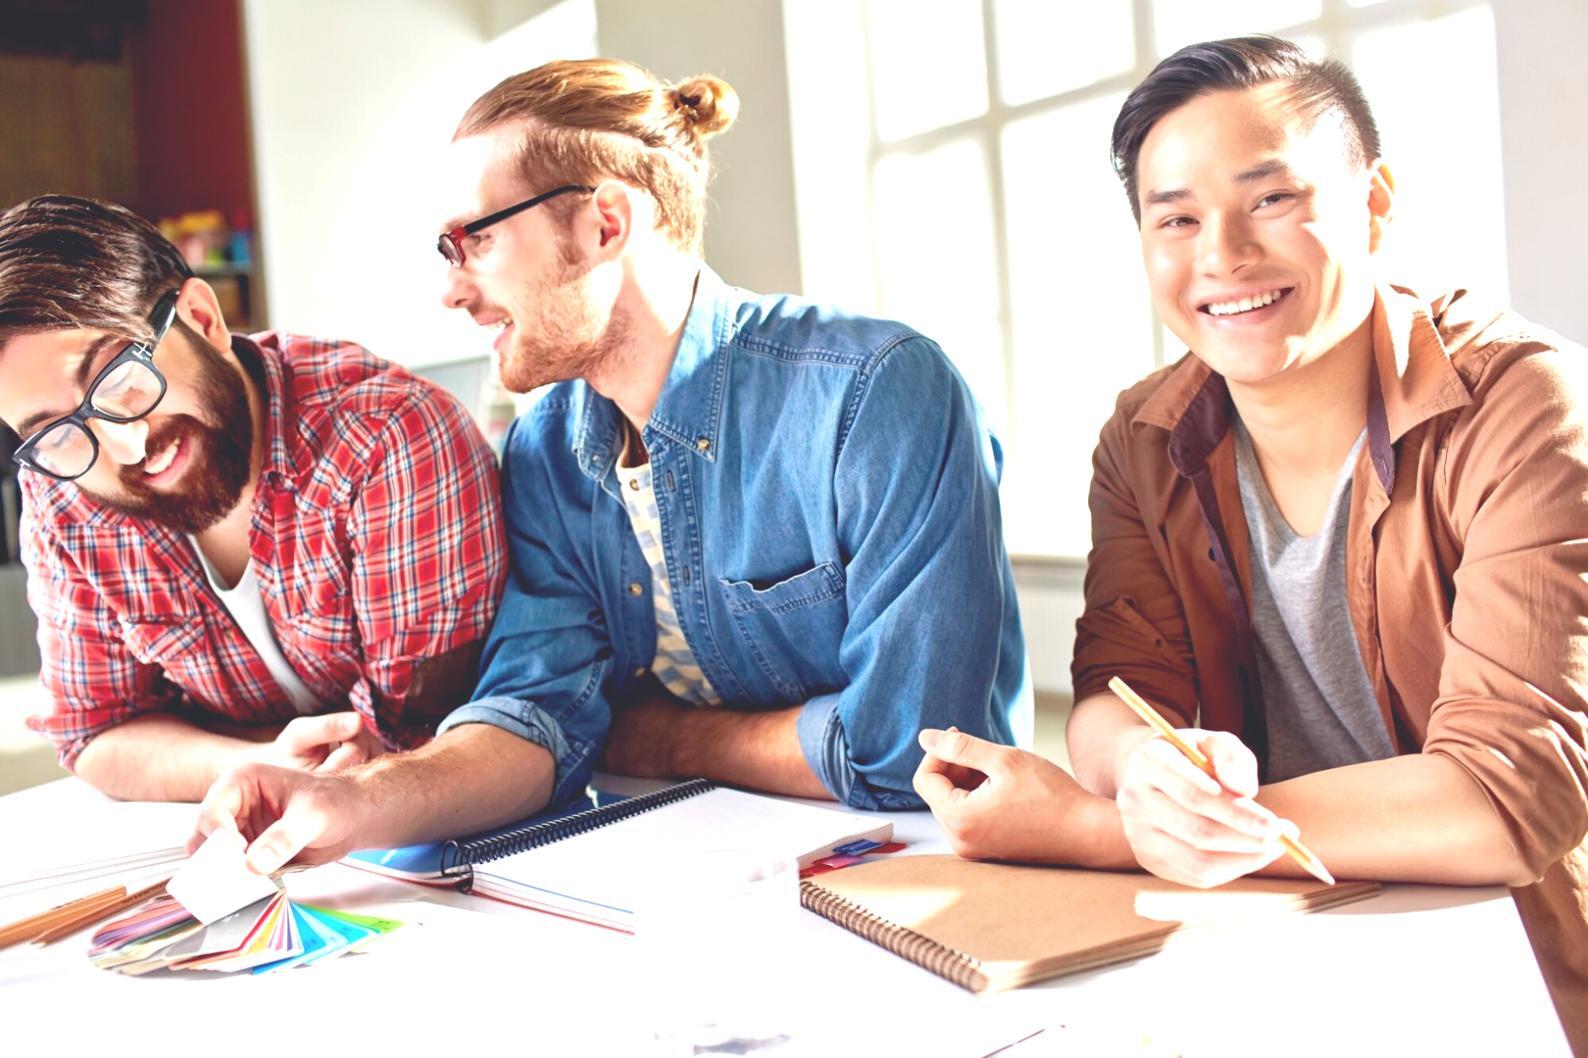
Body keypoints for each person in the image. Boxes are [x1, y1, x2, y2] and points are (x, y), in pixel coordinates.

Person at [910, 36, 1588, 1050]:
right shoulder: (1144, 435)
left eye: (1270, 199)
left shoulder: (1527, 406)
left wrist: (1101, 828)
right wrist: (1142, 766)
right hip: (1271, 940)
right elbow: (1114, 690)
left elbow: (1503, 799)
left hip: (1503, 959)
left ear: (1374, 202)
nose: (1222, 256)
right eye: (1176, 218)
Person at [192, 60, 1026, 866]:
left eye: (475, 239)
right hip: (684, 865)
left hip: (915, 876)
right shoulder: (546, 449)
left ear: (605, 225)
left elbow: (913, 752)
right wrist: (354, 803)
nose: (453, 289)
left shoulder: (874, 393)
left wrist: (660, 738)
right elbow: (536, 714)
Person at [0, 195, 506, 801]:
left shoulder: (386, 436)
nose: (125, 446)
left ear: (202, 318)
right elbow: (95, 733)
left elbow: (416, 734)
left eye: (120, 380)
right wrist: (260, 763)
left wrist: (197, 744)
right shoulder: (62, 490)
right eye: (57, 431)